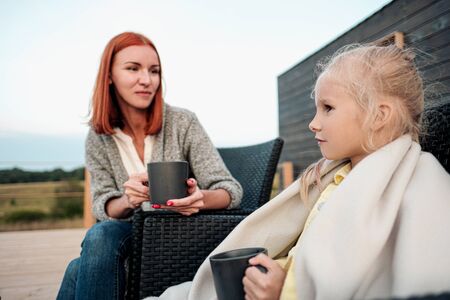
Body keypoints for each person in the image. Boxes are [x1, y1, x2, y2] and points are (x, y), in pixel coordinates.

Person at [146, 44, 450, 300]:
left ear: (379, 115)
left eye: (328, 108)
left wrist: (286, 291)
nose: (313, 123)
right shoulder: (333, 176)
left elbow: (381, 279)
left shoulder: (421, 182)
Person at [56, 31, 243, 300]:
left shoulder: (182, 122)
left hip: (180, 232)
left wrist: (199, 199)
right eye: (133, 69)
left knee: (88, 253)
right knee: (93, 247)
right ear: (109, 76)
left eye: (154, 71)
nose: (147, 80)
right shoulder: (98, 138)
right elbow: (102, 203)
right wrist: (128, 199)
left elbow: (229, 190)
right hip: (129, 238)